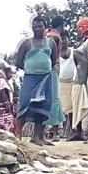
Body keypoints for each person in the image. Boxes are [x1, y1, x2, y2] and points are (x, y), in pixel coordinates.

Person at [14, 16, 59, 144]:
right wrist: (31, 68)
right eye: (35, 27)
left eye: (40, 26)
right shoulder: (26, 43)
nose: (38, 29)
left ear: (45, 27)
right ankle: (18, 135)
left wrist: (43, 68)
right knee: (25, 104)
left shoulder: (51, 43)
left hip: (45, 78)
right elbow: (18, 62)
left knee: (44, 106)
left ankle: (37, 136)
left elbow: (53, 59)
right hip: (30, 78)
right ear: (32, 28)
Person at [45, 16, 67, 136]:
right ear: (62, 25)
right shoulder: (54, 36)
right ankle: (54, 130)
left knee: (52, 99)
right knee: (53, 99)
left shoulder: (48, 35)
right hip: (52, 68)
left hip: (49, 69)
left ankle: (53, 130)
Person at [0, 65, 17, 132]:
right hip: (3, 106)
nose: (11, 75)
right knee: (7, 121)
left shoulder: (5, 81)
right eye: (10, 73)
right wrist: (7, 104)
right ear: (5, 73)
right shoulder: (2, 81)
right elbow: (3, 92)